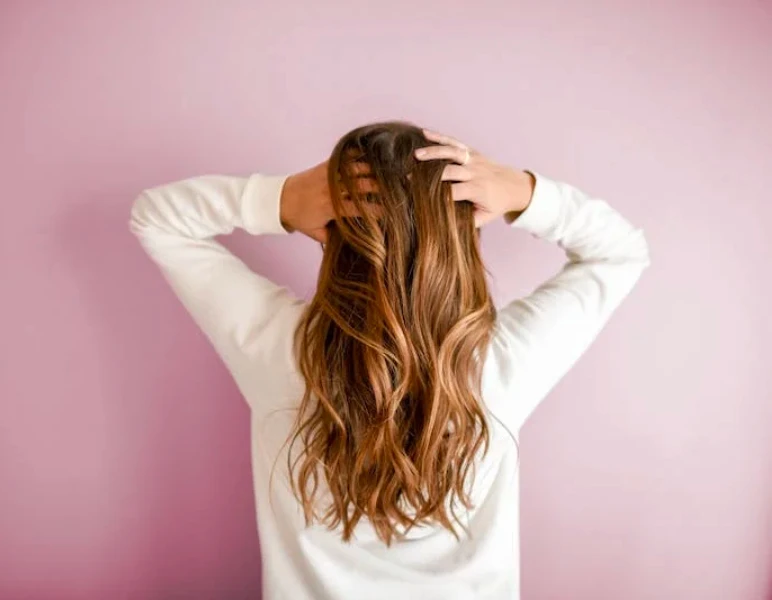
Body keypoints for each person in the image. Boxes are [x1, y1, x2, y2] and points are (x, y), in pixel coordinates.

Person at [129, 121, 650, 600]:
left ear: (330, 230)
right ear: (465, 236)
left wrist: (282, 199)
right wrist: (522, 193)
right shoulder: (500, 365)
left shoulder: (281, 350)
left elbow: (157, 218)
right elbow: (621, 251)